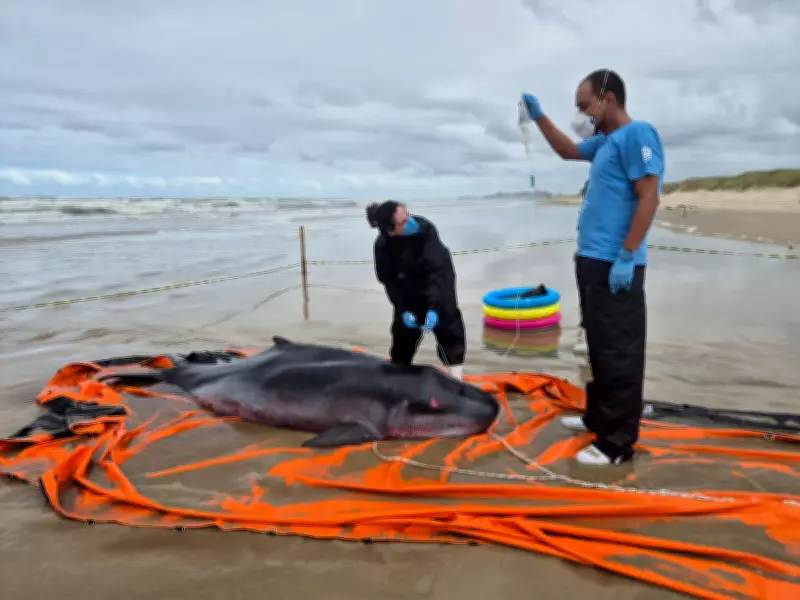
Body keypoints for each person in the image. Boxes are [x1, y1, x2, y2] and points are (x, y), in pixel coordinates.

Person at [521, 69, 665, 466]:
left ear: (609, 98)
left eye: (584, 106)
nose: (581, 114)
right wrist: (538, 116)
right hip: (591, 262)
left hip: (616, 263)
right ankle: (598, 417)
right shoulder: (604, 142)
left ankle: (617, 443)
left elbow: (649, 197)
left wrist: (627, 255)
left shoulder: (638, 135)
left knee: (619, 351)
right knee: (598, 348)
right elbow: (568, 150)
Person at [366, 200, 466, 380]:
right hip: (407, 288)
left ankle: (456, 378)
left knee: (448, 327)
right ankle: (398, 377)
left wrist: (433, 306)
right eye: (403, 222)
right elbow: (389, 281)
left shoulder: (425, 230)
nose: (411, 221)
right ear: (391, 230)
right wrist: (403, 308)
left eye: (408, 215)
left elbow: (436, 272)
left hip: (439, 281)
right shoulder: (382, 247)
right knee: (403, 336)